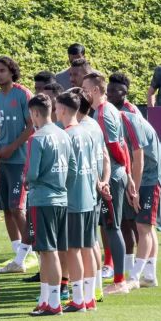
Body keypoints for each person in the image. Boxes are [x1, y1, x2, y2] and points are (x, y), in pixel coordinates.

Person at [82, 72, 137, 295]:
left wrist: (122, 172)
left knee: (112, 227)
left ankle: (119, 281)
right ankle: (116, 277)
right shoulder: (107, 111)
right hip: (117, 173)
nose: (83, 92)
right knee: (110, 226)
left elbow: (114, 146)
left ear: (95, 90)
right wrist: (129, 174)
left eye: (85, 88)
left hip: (111, 177)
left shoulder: (103, 114)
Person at [22, 94, 75, 316]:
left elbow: (32, 173)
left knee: (48, 250)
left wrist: (26, 180)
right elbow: (72, 167)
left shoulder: (37, 138)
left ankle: (53, 303)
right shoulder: (63, 135)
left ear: (34, 113)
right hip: (61, 199)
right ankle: (46, 299)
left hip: (42, 200)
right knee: (48, 252)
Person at [0, 56, 36, 274]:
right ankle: (19, 256)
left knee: (18, 208)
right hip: (3, 160)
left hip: (21, 160)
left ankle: (32, 253)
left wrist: (12, 146)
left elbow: (32, 126)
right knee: (8, 209)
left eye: (2, 70)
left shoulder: (23, 94)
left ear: (11, 72)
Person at [54, 92, 97, 312]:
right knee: (87, 249)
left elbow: (64, 172)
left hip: (72, 199)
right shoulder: (87, 132)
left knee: (73, 250)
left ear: (62, 109)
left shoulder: (65, 135)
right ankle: (89, 298)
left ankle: (78, 299)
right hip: (88, 197)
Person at [122, 111, 161, 289]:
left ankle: (135, 276)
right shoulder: (121, 117)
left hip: (152, 177)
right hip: (147, 175)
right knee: (147, 227)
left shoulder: (129, 121)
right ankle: (149, 276)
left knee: (143, 227)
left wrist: (133, 188)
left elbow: (138, 158)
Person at [71, 86, 109, 304]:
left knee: (83, 244)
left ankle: (87, 291)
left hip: (84, 188)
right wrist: (103, 180)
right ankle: (96, 288)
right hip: (94, 186)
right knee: (92, 240)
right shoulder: (93, 124)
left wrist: (98, 181)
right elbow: (104, 156)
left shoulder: (80, 129)